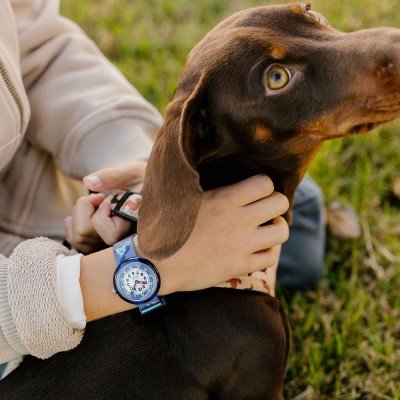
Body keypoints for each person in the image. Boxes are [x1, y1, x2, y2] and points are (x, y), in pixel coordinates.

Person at [0, 0, 325, 380]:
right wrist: (146, 267)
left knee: (294, 207)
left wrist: (150, 178)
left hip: (43, 202)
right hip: (23, 317)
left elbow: (39, 49)